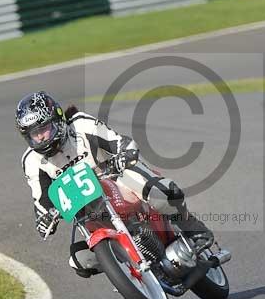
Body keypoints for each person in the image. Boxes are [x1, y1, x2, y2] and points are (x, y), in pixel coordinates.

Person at [16, 91, 214, 277]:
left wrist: (125, 153)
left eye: (44, 129)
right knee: (79, 261)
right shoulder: (31, 161)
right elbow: (41, 199)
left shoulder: (81, 125)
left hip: (117, 178)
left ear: (57, 120)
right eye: (34, 134)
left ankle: (193, 229)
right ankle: (128, 271)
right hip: (88, 209)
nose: (41, 137)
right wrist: (45, 218)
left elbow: (117, 141)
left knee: (161, 194)